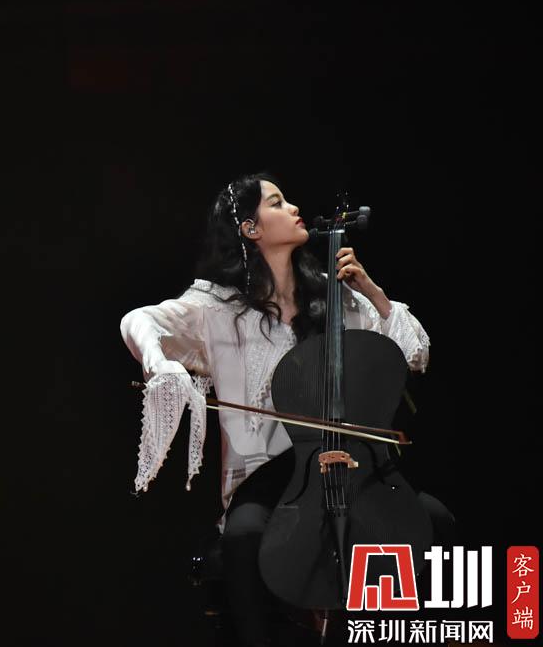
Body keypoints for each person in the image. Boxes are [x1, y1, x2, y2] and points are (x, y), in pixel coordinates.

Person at [118, 173, 455, 646]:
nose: (294, 208)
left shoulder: (336, 299)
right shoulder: (219, 310)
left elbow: (414, 354)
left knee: (433, 519)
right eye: (277, 202)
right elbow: (139, 321)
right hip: (268, 478)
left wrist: (372, 290)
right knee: (244, 536)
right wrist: (160, 364)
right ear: (250, 229)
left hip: (348, 466)